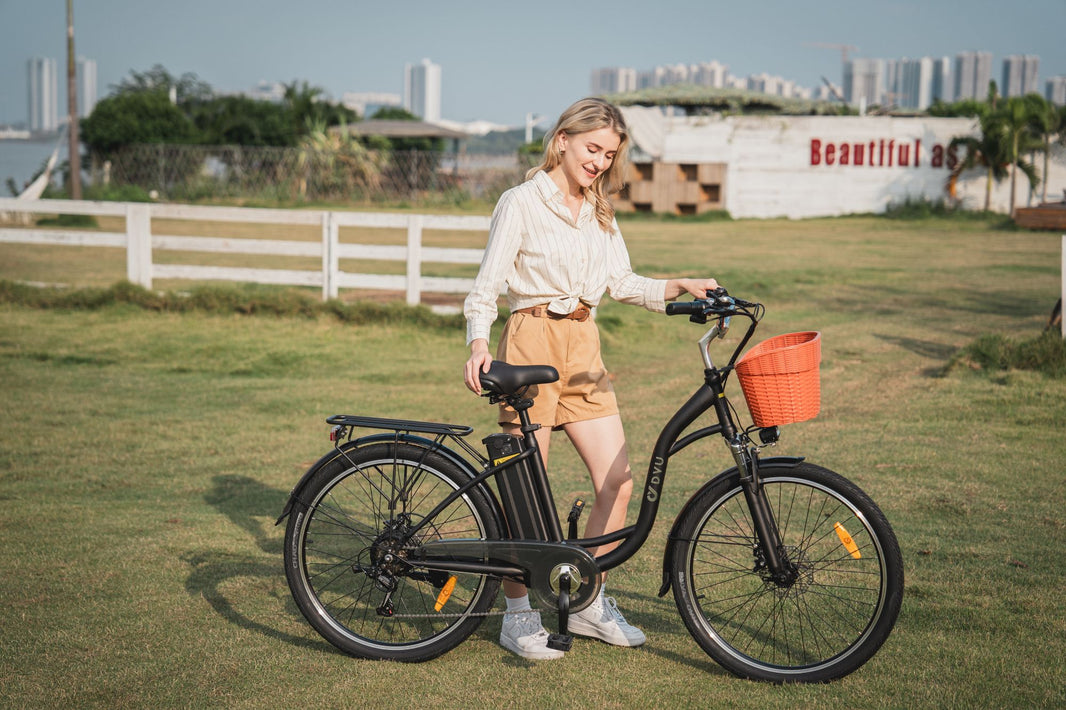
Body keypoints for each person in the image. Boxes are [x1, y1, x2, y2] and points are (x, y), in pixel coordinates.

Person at [463, 97, 719, 660]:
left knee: (619, 480)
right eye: (592, 148)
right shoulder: (521, 202)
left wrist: (680, 284)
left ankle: (585, 601)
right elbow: (486, 285)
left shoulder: (601, 210)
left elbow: (623, 282)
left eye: (609, 153)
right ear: (562, 141)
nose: (600, 161)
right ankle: (517, 614)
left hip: (585, 346)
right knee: (527, 491)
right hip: (530, 338)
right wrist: (479, 344)